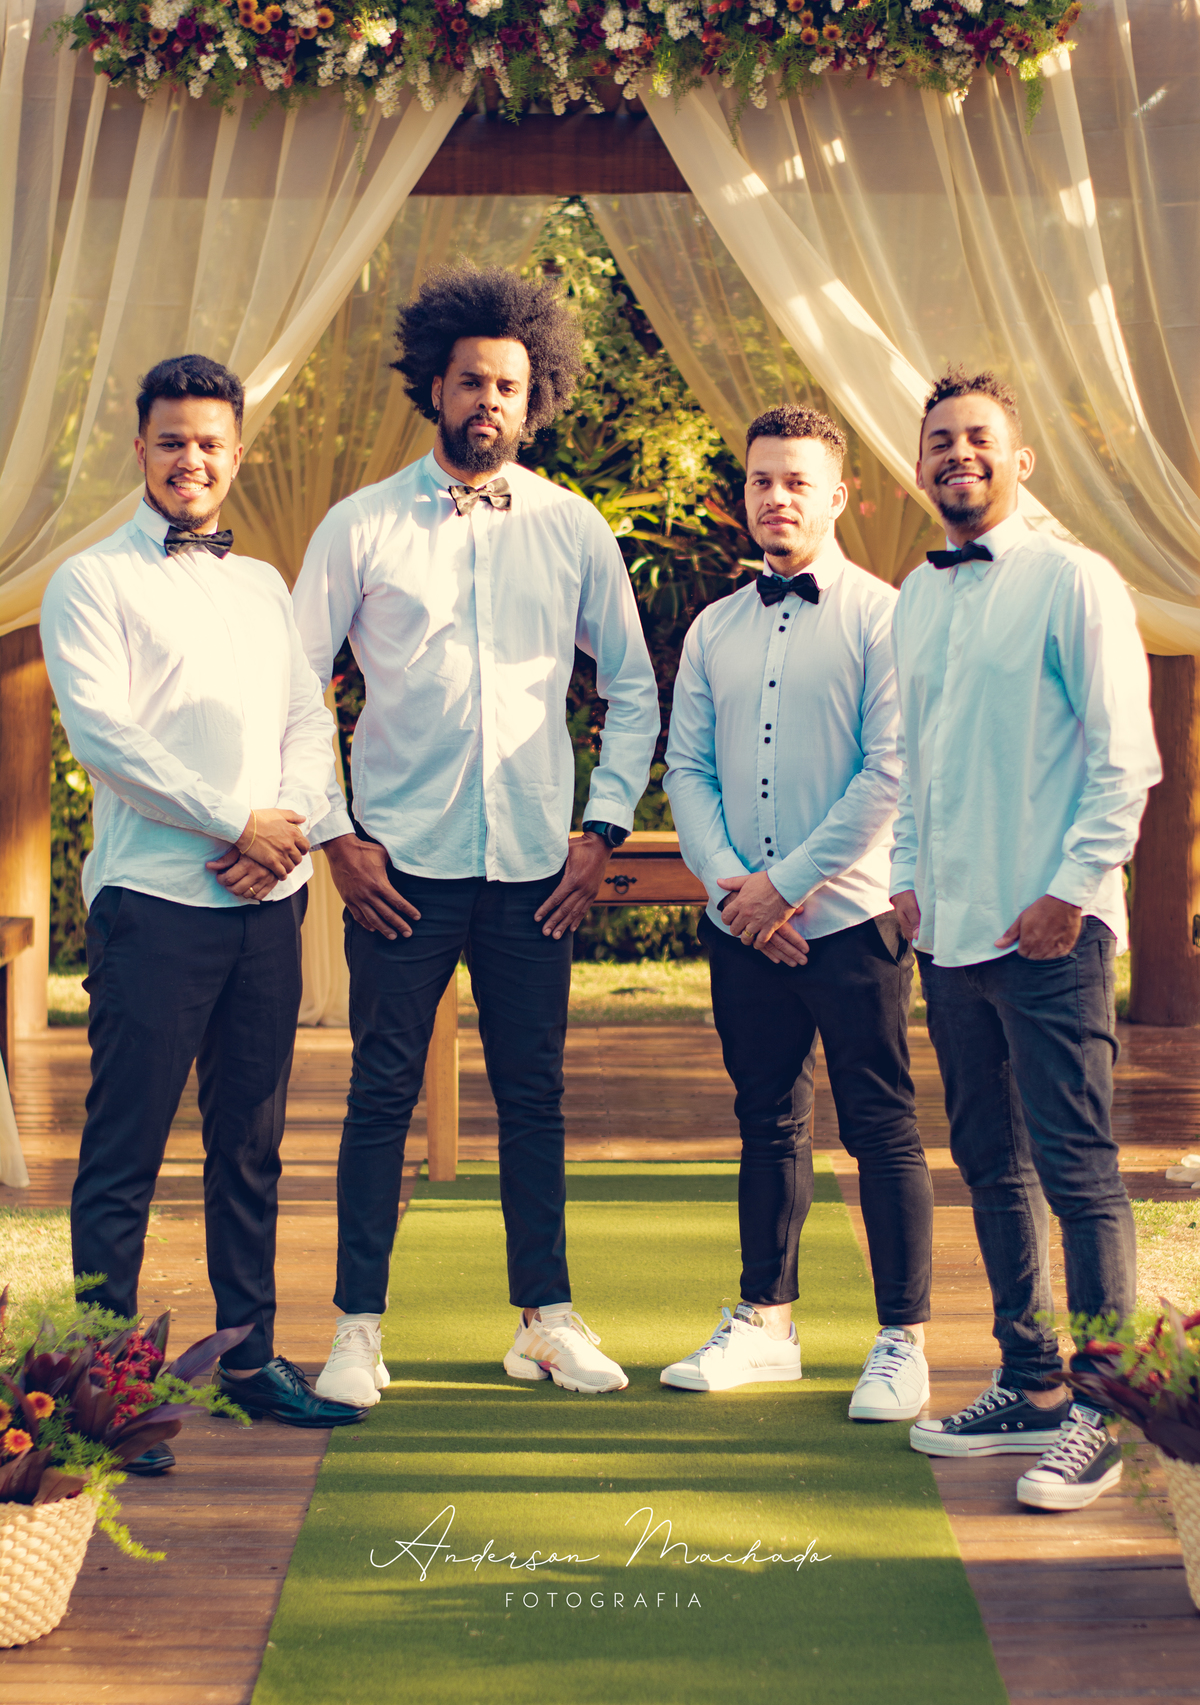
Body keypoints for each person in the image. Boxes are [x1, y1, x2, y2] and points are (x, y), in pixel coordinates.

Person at [292, 265, 659, 1406]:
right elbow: (293, 688)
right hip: (398, 866)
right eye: (470, 382)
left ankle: (546, 1319)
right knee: (380, 1096)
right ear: (435, 386)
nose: (488, 400)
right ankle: (356, 1329)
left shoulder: (571, 526)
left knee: (534, 1095)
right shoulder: (360, 526)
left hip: (536, 869)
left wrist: (603, 828)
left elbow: (634, 686)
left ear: (532, 397)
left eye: (508, 384)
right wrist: (335, 838)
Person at [41, 354, 369, 1463]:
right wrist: (236, 819)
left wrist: (287, 828)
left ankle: (248, 1358)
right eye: (173, 440)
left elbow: (304, 719)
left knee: (251, 1146)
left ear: (238, 453)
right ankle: (102, 1393)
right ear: (141, 449)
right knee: (124, 1151)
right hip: (154, 905)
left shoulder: (264, 584)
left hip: (267, 904)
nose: (193, 459)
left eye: (211, 442)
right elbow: (107, 740)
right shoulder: (90, 582)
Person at [895, 369, 1161, 1510]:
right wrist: (906, 881)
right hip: (951, 936)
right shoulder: (915, 596)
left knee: (1078, 1169)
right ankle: (1029, 1379)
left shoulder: (1074, 579)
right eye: (940, 441)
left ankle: (1105, 1409)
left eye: (979, 437)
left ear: (1020, 458)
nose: (958, 453)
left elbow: (1123, 757)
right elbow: (917, 759)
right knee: (990, 1165)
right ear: (920, 466)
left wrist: (1072, 890)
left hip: (1050, 931)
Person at [662, 404, 934, 1419]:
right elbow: (686, 769)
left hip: (853, 920)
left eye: (796, 481)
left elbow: (889, 771)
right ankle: (765, 1325)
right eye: (761, 479)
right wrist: (737, 888)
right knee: (766, 1119)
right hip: (744, 923)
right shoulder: (713, 628)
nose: (776, 496)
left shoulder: (885, 616)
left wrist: (789, 885)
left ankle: (902, 1340)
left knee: (881, 1125)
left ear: (837, 497)